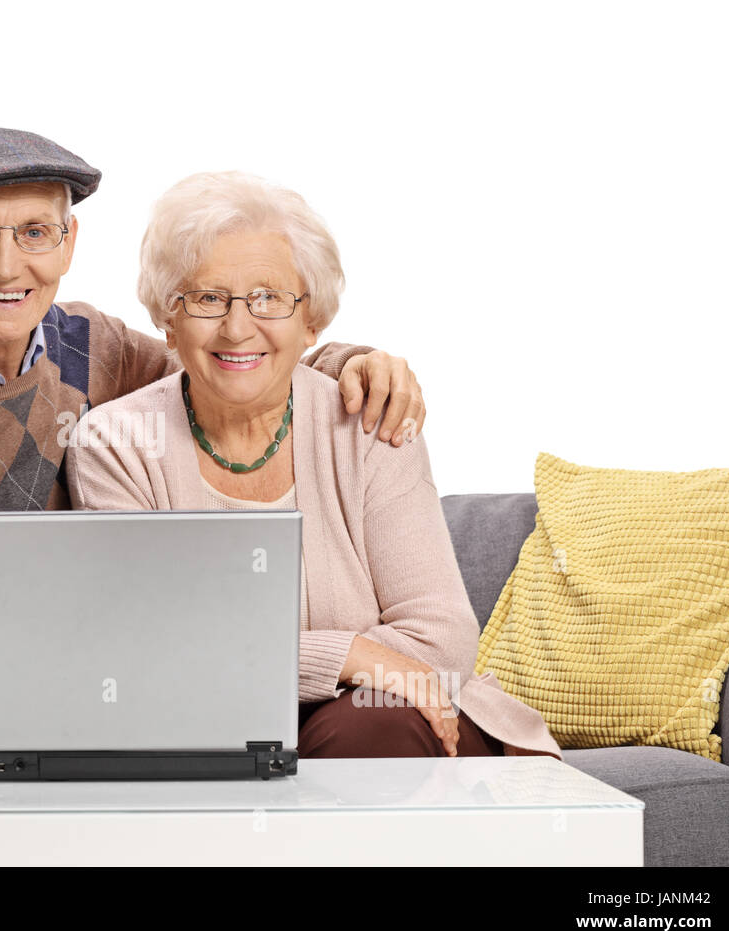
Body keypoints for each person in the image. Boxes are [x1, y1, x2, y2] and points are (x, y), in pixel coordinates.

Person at [0, 129, 433, 762]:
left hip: (62, 708)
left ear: (68, 245)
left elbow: (228, 361)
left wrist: (352, 363)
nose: (5, 262)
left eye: (34, 232)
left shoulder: (95, 349)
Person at [66, 170, 562, 760]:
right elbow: (148, 656)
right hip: (208, 739)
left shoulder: (370, 421)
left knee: (374, 724)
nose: (238, 326)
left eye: (269, 297)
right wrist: (351, 656)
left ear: (313, 320)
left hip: (407, 730)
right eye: (207, 297)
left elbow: (443, 642)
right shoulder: (116, 444)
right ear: (165, 315)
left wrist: (259, 662)